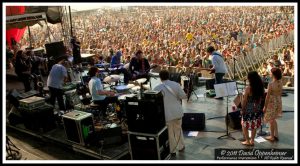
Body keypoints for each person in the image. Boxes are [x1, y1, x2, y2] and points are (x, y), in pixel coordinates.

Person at [154, 70, 187, 156]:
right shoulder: (176, 84)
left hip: (166, 114)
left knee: (170, 133)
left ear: (160, 78)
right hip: (177, 112)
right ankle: (181, 146)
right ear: (169, 76)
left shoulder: (156, 88)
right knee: (178, 130)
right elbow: (184, 96)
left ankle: (172, 151)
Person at [240, 71, 265, 146]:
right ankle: (252, 141)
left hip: (248, 110)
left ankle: (247, 141)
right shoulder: (261, 87)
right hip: (257, 109)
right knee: (254, 126)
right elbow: (261, 99)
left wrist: (242, 109)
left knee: (244, 125)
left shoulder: (248, 88)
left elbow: (244, 102)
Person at [263, 68, 283, 141]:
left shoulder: (271, 84)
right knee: (273, 118)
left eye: (271, 73)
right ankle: (276, 134)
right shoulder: (280, 82)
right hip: (278, 100)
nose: (270, 74)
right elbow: (280, 93)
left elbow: (267, 97)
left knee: (271, 120)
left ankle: (272, 136)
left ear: (274, 75)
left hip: (272, 102)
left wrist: (265, 107)